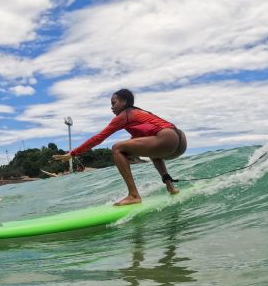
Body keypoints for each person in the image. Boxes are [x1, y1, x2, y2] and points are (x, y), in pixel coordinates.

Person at [53, 88, 186, 206]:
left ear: (124, 102)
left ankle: (134, 195)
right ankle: (170, 186)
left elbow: (98, 138)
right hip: (179, 140)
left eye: (113, 103)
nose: (111, 107)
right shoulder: (141, 112)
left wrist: (73, 153)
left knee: (117, 148)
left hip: (167, 138)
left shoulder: (125, 115)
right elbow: (140, 140)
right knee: (151, 152)